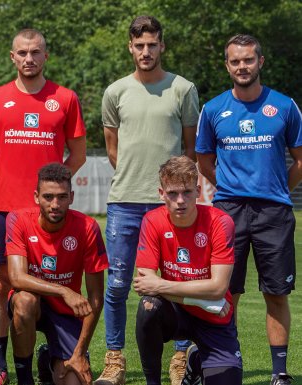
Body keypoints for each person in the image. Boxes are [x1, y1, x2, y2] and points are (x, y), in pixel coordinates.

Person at [0, 28, 86, 385]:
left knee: (49, 282)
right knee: (2, 288)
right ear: (13, 57)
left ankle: (56, 353)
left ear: (46, 55)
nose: (29, 58)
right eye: (22, 53)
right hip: (5, 210)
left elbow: (79, 153)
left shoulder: (65, 98)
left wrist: (49, 190)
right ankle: (1, 366)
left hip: (49, 215)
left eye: (35, 52)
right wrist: (11, 181)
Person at [96, 16, 199, 385]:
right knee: (119, 285)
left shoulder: (183, 89)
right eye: (139, 45)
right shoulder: (115, 91)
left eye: (152, 44)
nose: (145, 51)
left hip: (170, 206)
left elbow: (189, 151)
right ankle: (114, 361)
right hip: (125, 202)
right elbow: (113, 150)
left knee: (178, 279)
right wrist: (136, 179)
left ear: (162, 46)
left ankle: (180, 359)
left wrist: (176, 191)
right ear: (130, 47)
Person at [196, 34, 302, 385]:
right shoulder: (213, 110)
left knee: (276, 293)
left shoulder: (285, 106)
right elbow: (205, 161)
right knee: (228, 293)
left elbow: (301, 160)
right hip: (228, 212)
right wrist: (230, 187)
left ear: (261, 61)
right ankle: (229, 365)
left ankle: (280, 373)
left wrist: (276, 190)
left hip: (274, 213)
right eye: (235, 61)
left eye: (248, 60)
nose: (242, 66)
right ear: (227, 65)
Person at [134, 155, 243, 385]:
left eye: (187, 192)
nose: (180, 200)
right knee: (148, 306)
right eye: (172, 193)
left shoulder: (221, 222)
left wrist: (161, 285)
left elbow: (218, 288)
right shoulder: (151, 221)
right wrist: (201, 300)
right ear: (161, 193)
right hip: (179, 312)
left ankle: (194, 361)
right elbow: (145, 284)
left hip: (215, 317)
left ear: (198, 191)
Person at [6, 163, 107, 385]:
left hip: (66, 313)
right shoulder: (18, 219)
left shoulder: (88, 228)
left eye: (62, 197)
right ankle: (25, 380)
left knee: (74, 382)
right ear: (36, 197)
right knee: (24, 300)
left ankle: (48, 360)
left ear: (71, 197)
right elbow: (16, 278)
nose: (55, 204)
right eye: (48, 196)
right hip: (33, 303)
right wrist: (63, 291)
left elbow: (96, 299)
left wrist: (79, 353)